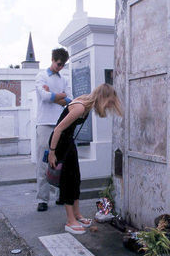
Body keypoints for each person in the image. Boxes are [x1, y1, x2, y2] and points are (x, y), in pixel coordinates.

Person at [48, 83, 122, 234]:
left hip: (68, 141)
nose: (108, 107)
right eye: (108, 103)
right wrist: (52, 152)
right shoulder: (81, 107)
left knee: (76, 179)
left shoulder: (87, 103)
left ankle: (77, 214)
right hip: (60, 143)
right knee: (68, 181)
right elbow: (58, 129)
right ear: (103, 98)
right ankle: (70, 220)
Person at [34, 48, 72, 212]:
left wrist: (54, 96)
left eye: (63, 65)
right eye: (58, 64)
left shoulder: (64, 78)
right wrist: (60, 96)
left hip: (60, 123)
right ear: (52, 59)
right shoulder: (41, 76)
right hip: (44, 124)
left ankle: (59, 196)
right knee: (44, 162)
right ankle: (42, 199)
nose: (60, 67)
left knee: (60, 161)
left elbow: (69, 101)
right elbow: (44, 97)